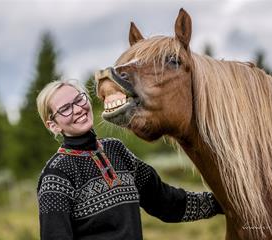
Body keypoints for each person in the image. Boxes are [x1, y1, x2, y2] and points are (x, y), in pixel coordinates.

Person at [36, 79, 223, 240]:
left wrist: (223, 202)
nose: (78, 109)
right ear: (53, 126)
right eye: (66, 109)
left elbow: (164, 201)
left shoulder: (116, 150)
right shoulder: (55, 176)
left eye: (79, 99)